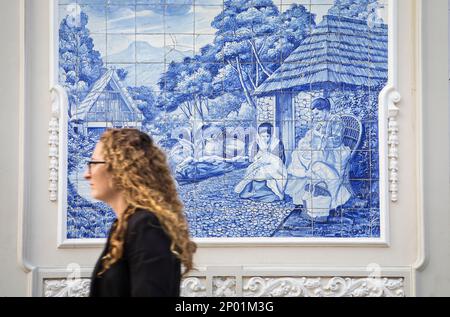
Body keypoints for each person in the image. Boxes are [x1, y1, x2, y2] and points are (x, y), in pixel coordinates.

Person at [85, 128, 197, 297]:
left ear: (120, 168)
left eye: (93, 163)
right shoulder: (123, 225)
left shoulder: (147, 226)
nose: (87, 174)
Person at [285, 98, 352, 217]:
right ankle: (304, 196)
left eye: (317, 113)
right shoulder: (321, 122)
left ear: (325, 110)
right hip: (323, 149)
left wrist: (320, 136)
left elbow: (336, 141)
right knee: (297, 154)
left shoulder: (335, 120)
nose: (316, 116)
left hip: (335, 152)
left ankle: (317, 200)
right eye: (314, 114)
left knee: (312, 158)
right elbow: (312, 138)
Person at [234, 123, 287, 202]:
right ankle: (253, 191)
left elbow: (280, 159)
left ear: (271, 135)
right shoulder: (258, 142)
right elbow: (254, 157)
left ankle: (269, 193)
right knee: (252, 170)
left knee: (261, 172)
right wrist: (258, 159)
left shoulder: (277, 143)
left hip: (275, 167)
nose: (265, 138)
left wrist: (266, 154)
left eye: (267, 136)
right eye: (263, 136)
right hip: (261, 164)